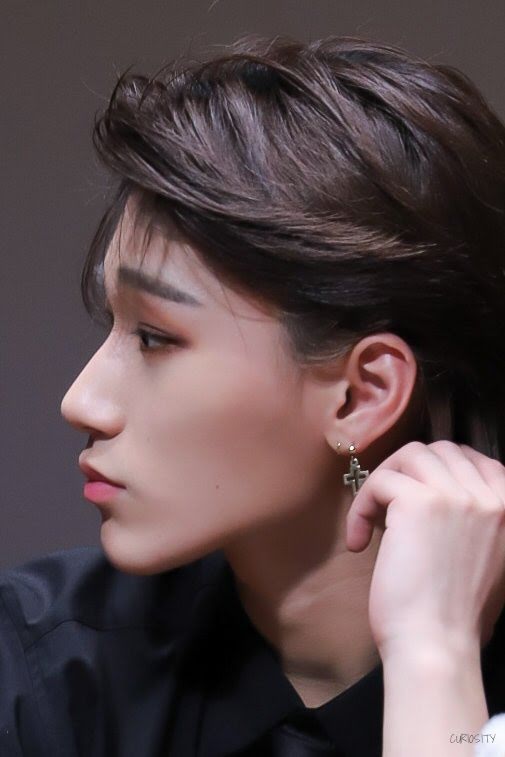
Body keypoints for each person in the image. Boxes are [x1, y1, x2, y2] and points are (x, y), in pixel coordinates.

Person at [2, 33, 505, 757]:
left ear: (360, 395)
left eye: (155, 338)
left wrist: (434, 657)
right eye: (112, 324)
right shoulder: (39, 676)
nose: (80, 401)